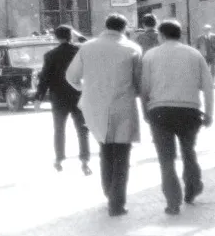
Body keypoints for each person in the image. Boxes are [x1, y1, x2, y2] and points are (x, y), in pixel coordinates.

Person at [67, 14, 143, 217]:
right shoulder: (133, 49)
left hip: (95, 106)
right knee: (122, 154)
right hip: (122, 105)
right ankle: (116, 203)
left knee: (105, 149)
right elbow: (139, 82)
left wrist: (86, 90)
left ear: (106, 26)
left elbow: (71, 76)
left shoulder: (87, 47)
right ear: (124, 28)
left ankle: (109, 193)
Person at [140, 20, 214, 215]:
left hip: (160, 110)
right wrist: (209, 113)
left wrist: (144, 111)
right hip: (189, 111)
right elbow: (208, 86)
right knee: (188, 151)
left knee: (166, 158)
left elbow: (144, 88)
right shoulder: (194, 54)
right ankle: (193, 188)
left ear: (161, 35)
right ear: (180, 34)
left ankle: (172, 202)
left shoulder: (150, 55)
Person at [34, 25, 91, 175]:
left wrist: (38, 97)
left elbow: (44, 78)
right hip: (78, 95)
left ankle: (59, 159)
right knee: (82, 129)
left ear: (56, 37)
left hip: (58, 97)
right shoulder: (79, 52)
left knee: (59, 129)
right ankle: (85, 160)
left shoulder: (50, 55)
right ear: (71, 35)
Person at [195, 24, 215, 88]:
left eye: (208, 30)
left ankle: (213, 83)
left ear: (210, 30)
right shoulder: (200, 38)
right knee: (204, 70)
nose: (206, 31)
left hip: (213, 56)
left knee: (213, 70)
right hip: (204, 57)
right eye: (205, 30)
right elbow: (197, 47)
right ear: (203, 30)